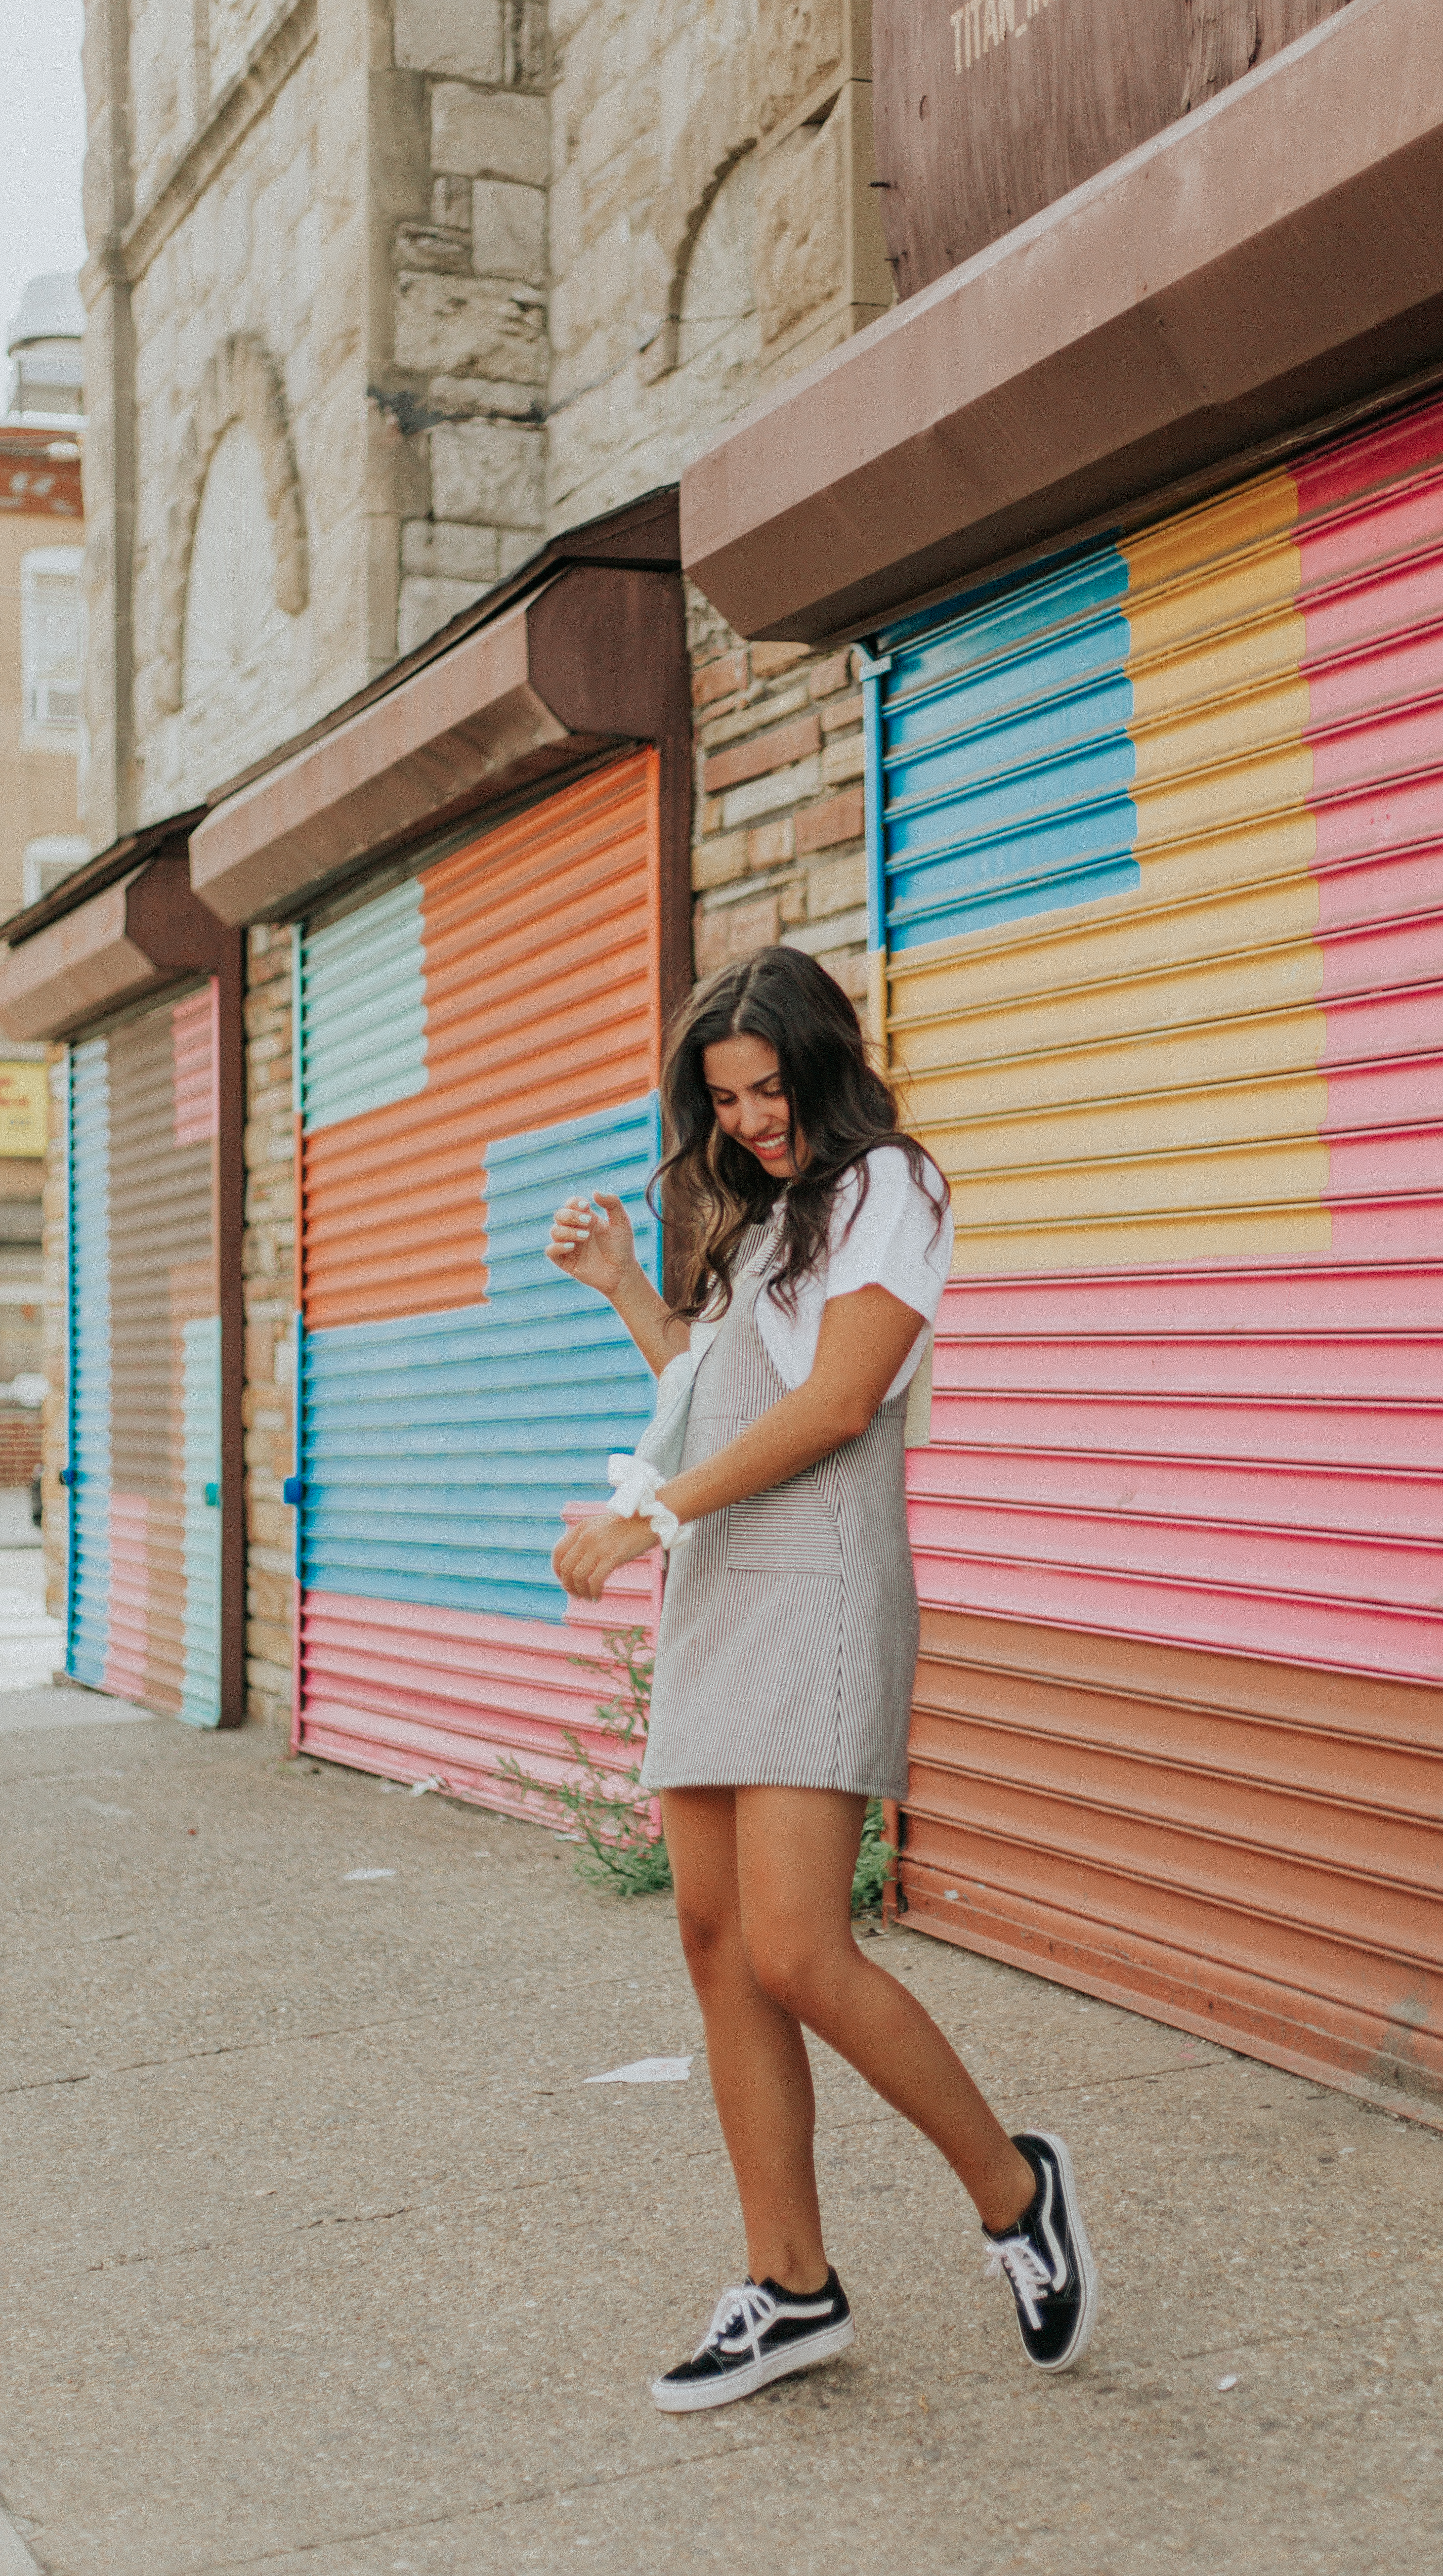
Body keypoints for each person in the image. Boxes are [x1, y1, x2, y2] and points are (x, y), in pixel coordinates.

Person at [545, 945, 1096, 2412]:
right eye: (723, 1099)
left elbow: (840, 1402)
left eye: (768, 1088)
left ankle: (1010, 2186)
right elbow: (702, 1392)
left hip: (818, 1588)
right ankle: (788, 2285)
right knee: (718, 1945)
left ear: (823, 1064)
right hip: (722, 1590)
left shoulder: (889, 1188)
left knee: (798, 1946)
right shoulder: (761, 1213)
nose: (748, 1119)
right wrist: (624, 1290)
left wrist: (646, 1515)